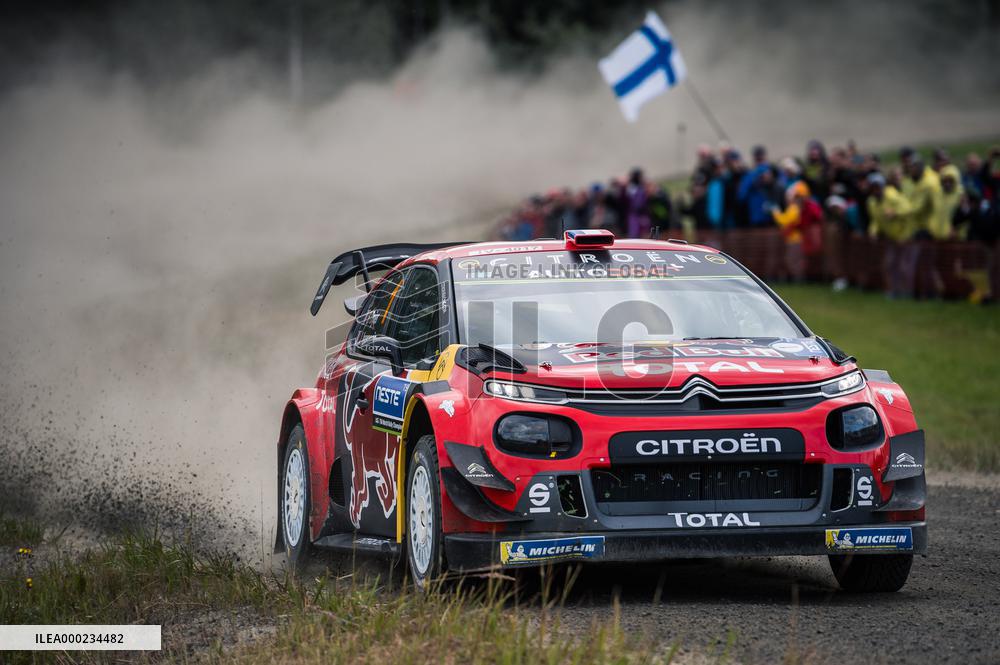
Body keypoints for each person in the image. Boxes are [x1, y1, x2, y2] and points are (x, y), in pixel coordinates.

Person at [867, 172, 915, 298]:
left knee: (904, 267)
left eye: (878, 187)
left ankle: (906, 292)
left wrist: (895, 213)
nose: (876, 190)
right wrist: (873, 231)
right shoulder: (872, 202)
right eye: (873, 187)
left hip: (905, 236)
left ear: (883, 186)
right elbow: (876, 220)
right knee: (889, 265)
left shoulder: (893, 196)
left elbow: (908, 209)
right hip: (891, 238)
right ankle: (893, 290)